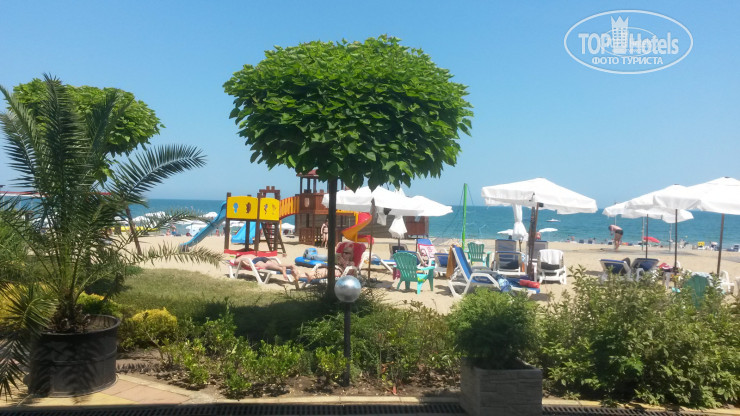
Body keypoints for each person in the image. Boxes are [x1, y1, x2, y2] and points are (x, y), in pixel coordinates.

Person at [234, 253, 306, 289]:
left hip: (255, 261)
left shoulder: (239, 258)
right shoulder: (249, 254)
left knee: (265, 266)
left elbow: (240, 261)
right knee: (275, 264)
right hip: (262, 258)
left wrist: (247, 264)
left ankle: (281, 269)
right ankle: (290, 266)